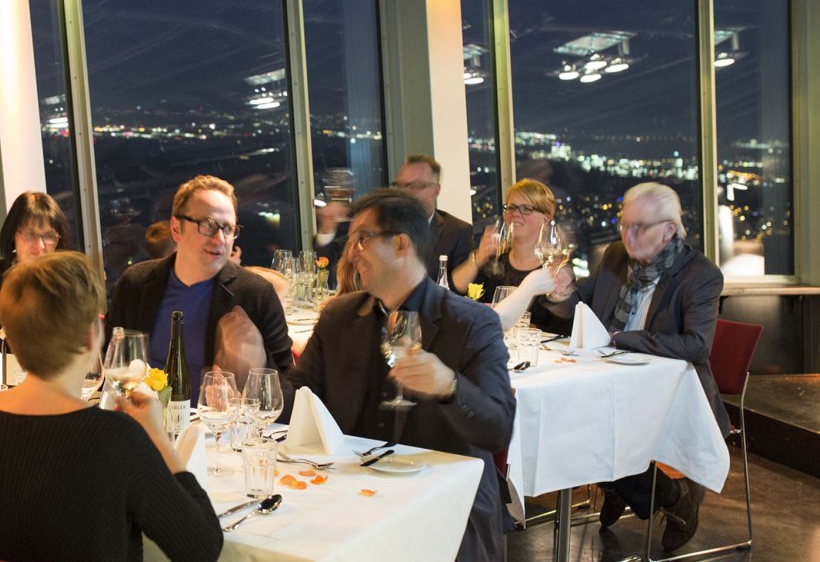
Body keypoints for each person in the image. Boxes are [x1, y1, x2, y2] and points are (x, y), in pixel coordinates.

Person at [0, 252, 222, 561]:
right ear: (91, 337)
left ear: (11, 338)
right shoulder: (116, 439)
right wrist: (158, 437)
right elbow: (202, 548)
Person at [285, 189, 515, 562]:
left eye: (362, 239)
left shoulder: (471, 323)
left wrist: (450, 387)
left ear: (401, 244)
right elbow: (298, 399)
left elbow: (498, 430)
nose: (352, 253)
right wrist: (249, 391)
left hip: (444, 503)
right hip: (352, 496)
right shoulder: (339, 317)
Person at [542, 182, 726, 552]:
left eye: (639, 227)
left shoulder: (700, 274)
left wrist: (622, 339)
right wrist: (560, 292)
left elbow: (696, 346)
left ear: (669, 230)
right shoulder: (615, 256)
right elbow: (579, 302)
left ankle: (655, 493)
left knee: (588, 426)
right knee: (563, 416)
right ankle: (656, 492)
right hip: (610, 380)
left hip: (670, 393)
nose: (628, 236)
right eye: (624, 224)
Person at [107, 175, 292, 392]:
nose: (220, 239)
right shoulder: (135, 283)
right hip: (145, 411)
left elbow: (288, 388)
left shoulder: (255, 294)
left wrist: (251, 371)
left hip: (220, 415)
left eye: (228, 228)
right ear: (176, 228)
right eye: (207, 225)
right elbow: (110, 363)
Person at [0, 191, 71, 340]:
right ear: (13, 235)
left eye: (49, 236)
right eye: (30, 234)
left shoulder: (67, 284)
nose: (40, 245)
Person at [453, 178, 555, 297]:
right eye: (511, 207)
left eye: (526, 209)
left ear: (545, 220)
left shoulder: (554, 269)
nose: (515, 213)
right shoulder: (494, 261)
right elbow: (454, 289)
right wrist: (478, 258)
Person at [393, 154, 474, 292]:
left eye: (416, 186)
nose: (406, 193)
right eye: (401, 186)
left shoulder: (456, 232)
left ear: (435, 191)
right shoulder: (384, 228)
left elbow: (458, 295)